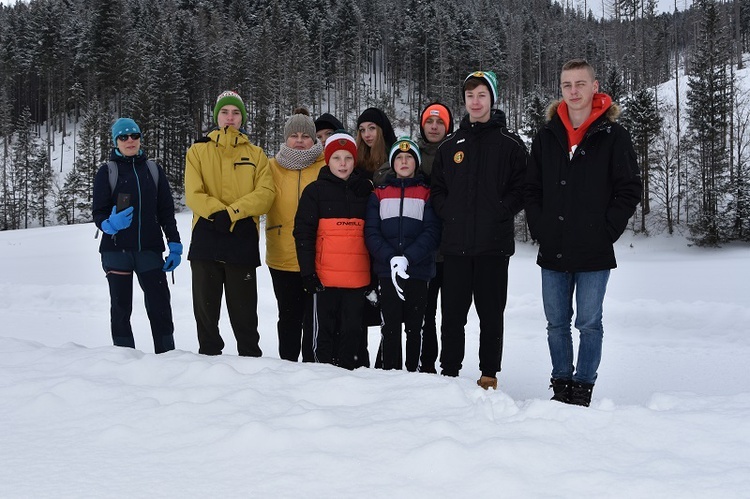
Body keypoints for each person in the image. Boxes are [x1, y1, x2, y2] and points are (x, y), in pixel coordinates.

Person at [525, 59, 642, 407]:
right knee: (556, 323)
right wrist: (541, 228)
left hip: (594, 248)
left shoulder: (613, 135)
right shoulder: (547, 136)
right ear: (560, 89)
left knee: (589, 323)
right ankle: (561, 382)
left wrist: (606, 230)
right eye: (566, 85)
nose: (573, 91)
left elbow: (629, 189)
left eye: (580, 84)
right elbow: (532, 189)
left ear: (595, 86)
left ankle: (583, 386)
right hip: (554, 247)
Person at [431, 71, 527, 389]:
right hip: (455, 247)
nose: (475, 100)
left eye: (482, 94)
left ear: (492, 99)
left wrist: (501, 211)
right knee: (453, 316)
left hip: (492, 247)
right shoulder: (449, 147)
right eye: (470, 95)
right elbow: (438, 190)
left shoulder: (510, 144)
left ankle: (488, 373)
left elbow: (523, 186)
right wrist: (450, 213)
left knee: (490, 315)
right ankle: (450, 372)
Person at [184, 90, 275, 357]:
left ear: (242, 118)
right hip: (206, 236)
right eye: (225, 112)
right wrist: (216, 213)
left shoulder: (256, 154)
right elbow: (193, 193)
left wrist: (232, 212)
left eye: (236, 113)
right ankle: (209, 361)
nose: (230, 117)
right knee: (206, 311)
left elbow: (266, 194)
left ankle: (250, 361)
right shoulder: (198, 151)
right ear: (216, 116)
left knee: (245, 313)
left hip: (242, 237)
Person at [92, 118, 181, 354]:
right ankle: (123, 359)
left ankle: (168, 355)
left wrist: (174, 243)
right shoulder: (107, 172)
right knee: (121, 307)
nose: (130, 140)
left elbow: (166, 211)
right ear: (116, 142)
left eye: (134, 135)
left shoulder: (153, 170)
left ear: (140, 138)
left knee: (160, 305)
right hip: (116, 251)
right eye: (124, 137)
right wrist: (109, 224)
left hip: (149, 249)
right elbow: (98, 212)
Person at [293, 131, 374, 369]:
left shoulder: (365, 192)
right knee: (323, 336)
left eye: (348, 158)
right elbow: (303, 234)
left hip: (357, 279)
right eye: (337, 158)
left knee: (352, 335)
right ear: (328, 160)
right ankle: (319, 379)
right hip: (324, 279)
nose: (342, 163)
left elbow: (372, 234)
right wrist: (308, 273)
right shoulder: (314, 191)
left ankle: (349, 381)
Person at [365, 137, 441, 371]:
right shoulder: (379, 194)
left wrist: (408, 258)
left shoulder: (426, 193)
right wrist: (391, 258)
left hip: (417, 271)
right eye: (399, 157)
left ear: (416, 163)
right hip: (388, 273)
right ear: (392, 163)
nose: (404, 161)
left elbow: (432, 231)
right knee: (390, 326)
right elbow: (371, 232)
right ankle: (390, 372)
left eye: (409, 157)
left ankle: (413, 372)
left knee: (416, 326)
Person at [266, 108, 326, 362]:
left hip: (316, 256)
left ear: (314, 139)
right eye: (294, 135)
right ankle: (287, 367)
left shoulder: (326, 166)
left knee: (313, 319)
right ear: (285, 138)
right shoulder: (271, 167)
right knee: (288, 316)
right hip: (282, 254)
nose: (300, 140)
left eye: (305, 135)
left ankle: (311, 369)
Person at [416, 102, 453, 373]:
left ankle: (450, 366)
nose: (434, 126)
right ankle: (426, 364)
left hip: (453, 250)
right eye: (430, 121)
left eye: (440, 123)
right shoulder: (411, 154)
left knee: (451, 315)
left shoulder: (458, 152)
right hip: (423, 251)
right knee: (425, 313)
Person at [356, 107, 397, 184]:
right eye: (362, 130)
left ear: (382, 130)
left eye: (372, 128)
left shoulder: (395, 158)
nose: (366, 135)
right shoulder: (357, 159)